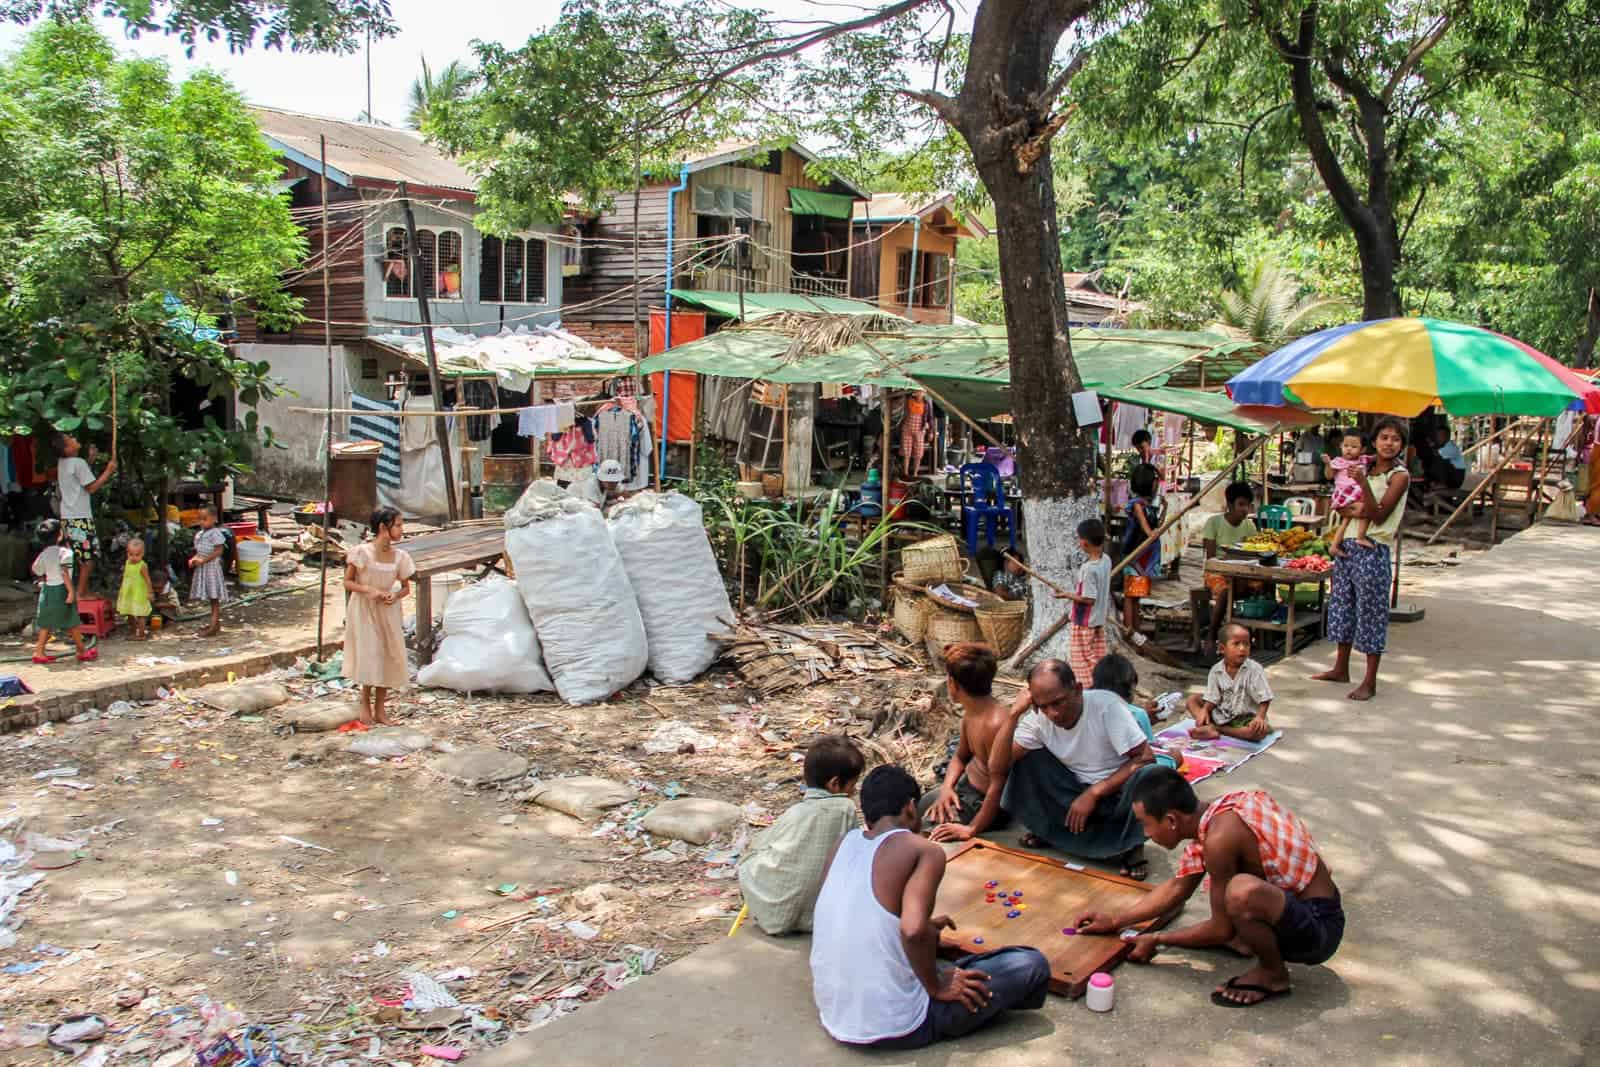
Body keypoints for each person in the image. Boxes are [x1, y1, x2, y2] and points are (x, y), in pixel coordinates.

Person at [809, 764, 1051, 1050]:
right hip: (898, 1025)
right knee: (1030, 965)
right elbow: (911, 931)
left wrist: (926, 929)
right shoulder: (923, 850)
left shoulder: (844, 843)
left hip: (834, 1012)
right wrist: (937, 984)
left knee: (933, 948)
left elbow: (849, 917)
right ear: (911, 808)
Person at [1076, 768, 1344, 1009]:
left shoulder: (1219, 839)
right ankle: (1251, 937)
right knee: (1235, 892)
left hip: (1319, 930)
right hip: (1303, 909)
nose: (1145, 834)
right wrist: (1115, 921)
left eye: (1145, 823)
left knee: (1240, 892)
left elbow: (1220, 928)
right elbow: (1176, 888)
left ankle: (1273, 974)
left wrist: (1157, 939)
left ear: (1171, 820)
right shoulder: (1217, 816)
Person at [1001, 659, 1158, 879]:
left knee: (1151, 776)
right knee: (1028, 760)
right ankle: (1051, 831)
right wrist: (1014, 714)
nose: (1052, 714)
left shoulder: (1107, 706)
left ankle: (1131, 847)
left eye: (1058, 703)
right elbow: (998, 765)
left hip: (1116, 794)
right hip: (1070, 795)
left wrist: (1095, 792)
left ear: (1077, 690)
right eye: (1043, 706)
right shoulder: (1037, 718)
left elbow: (1145, 757)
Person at [1312, 417, 1410, 701]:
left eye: (1395, 439)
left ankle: (1370, 680)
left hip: (1373, 548)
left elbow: (1379, 513)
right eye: (1384, 438)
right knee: (1342, 606)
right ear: (1374, 442)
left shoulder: (1398, 476)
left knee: (1371, 613)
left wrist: (1363, 489)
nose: (1389, 443)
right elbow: (1344, 504)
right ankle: (1340, 668)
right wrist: (1354, 506)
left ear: (1401, 445)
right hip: (1348, 545)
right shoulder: (1362, 466)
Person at [738, 735, 865, 935]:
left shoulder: (796, 812)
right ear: (834, 784)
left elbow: (765, 844)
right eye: (853, 783)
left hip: (773, 913)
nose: (854, 789)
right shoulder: (845, 808)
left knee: (748, 861)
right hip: (814, 917)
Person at [921, 643, 1020, 843]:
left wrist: (971, 829)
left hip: (984, 804)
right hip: (965, 788)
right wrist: (947, 788)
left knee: (930, 832)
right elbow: (960, 756)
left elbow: (998, 786)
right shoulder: (971, 712)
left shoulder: (996, 723)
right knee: (921, 806)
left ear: (953, 684)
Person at [343, 506, 415, 725]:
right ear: (384, 527)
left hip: (388, 610)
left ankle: (381, 709)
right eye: (398, 525)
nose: (402, 529)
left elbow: (405, 588)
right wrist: (368, 590)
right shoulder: (361, 552)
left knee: (387, 655)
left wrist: (395, 596)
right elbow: (348, 582)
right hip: (364, 609)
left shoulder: (400, 557)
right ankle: (364, 703)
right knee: (370, 654)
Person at [1199, 482, 1259, 658]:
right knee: (1226, 591)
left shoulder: (1249, 526)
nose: (1245, 509)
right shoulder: (1214, 523)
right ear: (1230, 504)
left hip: (1242, 572)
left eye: (1248, 505)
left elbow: (1253, 552)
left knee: (1264, 586)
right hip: (1217, 573)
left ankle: (1257, 636)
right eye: (1241, 504)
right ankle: (1211, 636)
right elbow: (1211, 559)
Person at [55, 434, 116, 603]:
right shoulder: (78, 463)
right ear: (67, 448)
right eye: (71, 439)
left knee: (82, 557)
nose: (75, 438)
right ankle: (80, 593)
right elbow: (91, 488)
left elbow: (78, 478)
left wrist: (90, 461)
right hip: (80, 517)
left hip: (68, 517)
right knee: (88, 559)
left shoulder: (63, 462)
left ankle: (83, 591)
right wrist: (108, 471)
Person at [1091, 653, 1179, 770]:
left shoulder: (1087, 706)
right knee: (1175, 757)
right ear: (1131, 687)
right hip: (1121, 772)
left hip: (1089, 769)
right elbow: (1148, 755)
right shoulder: (1137, 714)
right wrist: (1172, 759)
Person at [1186, 623, 1272, 742]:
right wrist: (1204, 710)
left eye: (1246, 644)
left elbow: (1265, 697)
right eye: (1236, 644)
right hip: (1222, 714)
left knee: (1257, 733)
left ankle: (1213, 728)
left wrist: (1260, 717)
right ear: (1222, 648)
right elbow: (1212, 698)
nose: (1242, 648)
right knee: (1192, 699)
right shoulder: (1216, 670)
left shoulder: (1254, 669)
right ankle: (1213, 727)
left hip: (1246, 718)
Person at [1054, 517, 1111, 686]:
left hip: (1084, 622)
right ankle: (1102, 684)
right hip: (1099, 620)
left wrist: (1066, 595)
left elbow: (1088, 599)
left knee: (1083, 661)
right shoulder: (1106, 560)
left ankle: (1088, 688)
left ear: (1085, 543)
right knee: (1096, 656)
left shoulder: (1088, 569)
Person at [31, 518, 92, 664]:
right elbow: (64, 572)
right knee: (72, 621)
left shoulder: (43, 554)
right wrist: (71, 591)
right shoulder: (66, 552)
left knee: (46, 623)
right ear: (60, 535)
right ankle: (82, 651)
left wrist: (44, 578)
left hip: (47, 591)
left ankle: (39, 651)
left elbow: (36, 569)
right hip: (62, 590)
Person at [1122, 462, 1163, 631]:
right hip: (1135, 555)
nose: (1157, 486)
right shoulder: (1138, 504)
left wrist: (1165, 509)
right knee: (1131, 595)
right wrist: (1151, 533)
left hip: (1145, 557)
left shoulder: (1149, 506)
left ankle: (1136, 630)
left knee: (1137, 595)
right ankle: (1129, 630)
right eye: (1155, 482)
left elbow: (1157, 525)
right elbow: (1146, 527)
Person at [1323, 428, 1374, 551]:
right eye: (1346, 445)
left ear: (1362, 449)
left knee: (1345, 522)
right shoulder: (1338, 461)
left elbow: (1376, 458)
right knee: (1365, 511)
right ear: (1340, 446)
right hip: (1345, 494)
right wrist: (1328, 464)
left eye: (1354, 446)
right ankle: (1361, 537)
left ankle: (1334, 546)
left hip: (1355, 493)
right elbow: (1329, 476)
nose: (1349, 449)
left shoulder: (1362, 460)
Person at [188, 506, 229, 638]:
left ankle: (213, 626)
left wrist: (204, 560)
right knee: (211, 598)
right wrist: (194, 559)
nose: (202, 522)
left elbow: (218, 551)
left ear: (214, 519)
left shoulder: (215, 533)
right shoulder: (200, 534)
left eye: (205, 519)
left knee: (214, 597)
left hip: (211, 568)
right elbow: (199, 551)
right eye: (200, 519)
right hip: (203, 568)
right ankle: (214, 624)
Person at [117, 537, 153, 641]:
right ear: (127, 553)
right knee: (129, 612)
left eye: (137, 555)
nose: (133, 557)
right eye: (130, 554)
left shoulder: (142, 566)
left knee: (140, 614)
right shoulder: (127, 562)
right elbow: (126, 575)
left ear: (142, 554)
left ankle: (141, 634)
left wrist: (150, 592)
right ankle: (133, 631)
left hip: (139, 594)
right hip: (128, 593)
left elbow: (147, 580)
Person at [1426, 425, 1467, 490]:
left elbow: (1436, 453)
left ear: (1447, 436)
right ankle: (1435, 482)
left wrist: (1431, 445)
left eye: (1441, 436)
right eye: (1438, 436)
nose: (1438, 438)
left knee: (1439, 459)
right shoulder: (1443, 447)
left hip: (1455, 480)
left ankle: (1443, 484)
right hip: (1451, 476)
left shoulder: (1451, 447)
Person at [900, 392, 930, 479]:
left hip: (920, 430)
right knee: (906, 452)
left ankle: (915, 473)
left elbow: (929, 417)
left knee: (918, 452)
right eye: (918, 392)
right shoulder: (908, 400)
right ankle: (905, 473)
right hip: (907, 429)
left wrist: (929, 427)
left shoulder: (926, 404)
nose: (920, 393)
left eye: (922, 392)